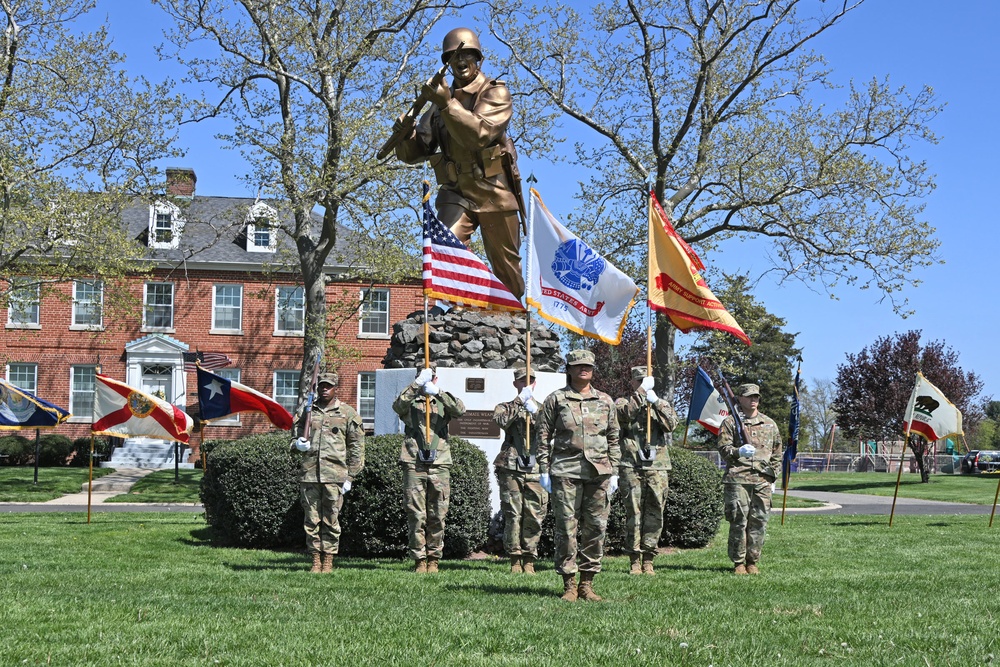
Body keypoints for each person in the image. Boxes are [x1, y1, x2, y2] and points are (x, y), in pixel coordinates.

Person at [394, 27, 525, 299]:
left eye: (467, 54)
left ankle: (510, 318)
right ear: (447, 64)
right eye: (453, 57)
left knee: (506, 269)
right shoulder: (440, 103)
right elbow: (416, 151)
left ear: (478, 59)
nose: (460, 61)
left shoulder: (495, 93)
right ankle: (453, 313)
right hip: (456, 191)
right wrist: (406, 136)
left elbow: (478, 135)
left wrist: (447, 104)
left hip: (493, 191)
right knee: (445, 250)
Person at [537, 349, 621, 602]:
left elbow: (614, 437)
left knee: (596, 528)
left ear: (594, 370)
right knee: (566, 527)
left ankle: (587, 583)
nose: (583, 369)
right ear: (569, 369)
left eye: (588, 366)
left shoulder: (606, 400)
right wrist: (543, 469)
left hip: (599, 472)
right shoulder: (556, 399)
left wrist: (614, 470)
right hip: (565, 470)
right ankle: (569, 584)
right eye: (578, 365)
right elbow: (542, 436)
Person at [393, 365, 466, 573]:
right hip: (414, 462)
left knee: (438, 513)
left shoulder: (442, 401)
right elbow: (397, 406)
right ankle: (419, 559)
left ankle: (434, 558)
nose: (428, 380)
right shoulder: (410, 401)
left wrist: (439, 393)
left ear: (435, 378)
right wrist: (416, 386)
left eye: (431, 377)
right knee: (416, 514)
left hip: (439, 463)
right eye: (423, 377)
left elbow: (460, 410)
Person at [291, 372, 365, 573]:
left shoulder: (347, 413)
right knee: (311, 519)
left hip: (335, 476)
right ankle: (315, 560)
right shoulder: (307, 412)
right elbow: (293, 440)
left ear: (335, 388)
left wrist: (351, 476)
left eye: (329, 386)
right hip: (309, 475)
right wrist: (298, 445)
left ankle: (329, 560)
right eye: (322, 386)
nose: (325, 389)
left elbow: (356, 446)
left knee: (331, 519)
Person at [617, 366, 679, 576]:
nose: (643, 383)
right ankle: (634, 558)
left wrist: (657, 402)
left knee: (655, 512)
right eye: (639, 381)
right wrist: (641, 394)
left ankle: (649, 558)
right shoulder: (623, 402)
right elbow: (624, 417)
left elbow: (671, 425)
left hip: (657, 465)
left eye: (646, 380)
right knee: (633, 513)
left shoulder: (659, 403)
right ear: (633, 382)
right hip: (631, 464)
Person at [717, 383, 783, 575]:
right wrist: (738, 451)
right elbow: (723, 449)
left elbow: (777, 453)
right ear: (740, 399)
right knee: (739, 522)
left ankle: (752, 561)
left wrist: (773, 477)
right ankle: (738, 562)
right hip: (738, 479)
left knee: (759, 521)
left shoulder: (769, 424)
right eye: (749, 397)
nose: (753, 400)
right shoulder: (730, 423)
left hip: (762, 480)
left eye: (756, 397)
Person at [492, 362, 547, 574]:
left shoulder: (543, 407)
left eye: (530, 380)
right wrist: (519, 402)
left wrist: (535, 411)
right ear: (515, 382)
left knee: (534, 514)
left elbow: (552, 428)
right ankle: (515, 558)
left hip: (535, 467)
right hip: (511, 466)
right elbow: (502, 421)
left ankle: (529, 558)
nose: (527, 384)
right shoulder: (505, 406)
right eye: (523, 380)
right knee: (513, 513)